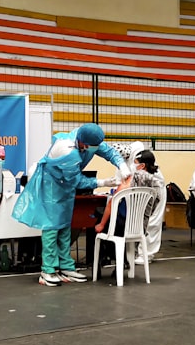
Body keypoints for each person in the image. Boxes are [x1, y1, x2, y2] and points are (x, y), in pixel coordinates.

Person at [12, 123, 129, 287]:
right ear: (84, 144)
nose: (94, 150)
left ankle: (66, 266)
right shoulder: (67, 150)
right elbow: (76, 180)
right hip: (50, 184)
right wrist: (102, 182)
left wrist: (122, 165)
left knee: (65, 225)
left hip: (64, 185)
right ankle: (48, 270)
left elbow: (109, 152)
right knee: (52, 226)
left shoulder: (89, 138)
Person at [94, 144, 165, 265]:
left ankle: (110, 258)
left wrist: (101, 224)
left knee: (101, 219)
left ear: (141, 165)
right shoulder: (155, 181)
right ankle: (129, 257)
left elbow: (113, 201)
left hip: (125, 222)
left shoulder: (133, 177)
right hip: (140, 224)